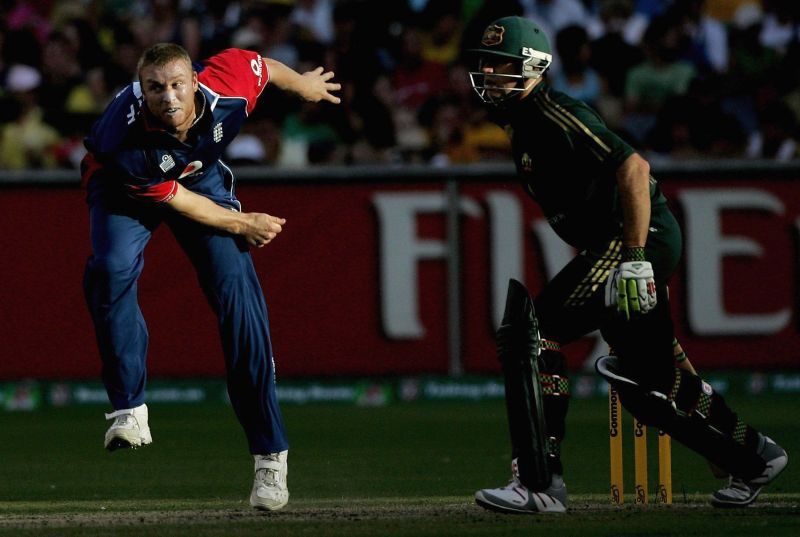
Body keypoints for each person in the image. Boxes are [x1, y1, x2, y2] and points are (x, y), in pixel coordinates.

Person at [467, 16, 788, 512]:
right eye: (486, 65)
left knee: (538, 330)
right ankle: (753, 454)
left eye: (502, 66)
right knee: (652, 374)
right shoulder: (523, 122)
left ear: (535, 68)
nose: (490, 74)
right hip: (628, 244)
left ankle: (539, 482)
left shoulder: (554, 114)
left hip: (636, 240)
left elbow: (633, 167)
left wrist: (635, 259)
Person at [81, 43, 340, 511]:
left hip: (199, 179)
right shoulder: (123, 136)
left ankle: (270, 456)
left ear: (195, 82)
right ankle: (129, 408)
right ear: (142, 89)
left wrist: (302, 84)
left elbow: (265, 67)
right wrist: (243, 223)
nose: (168, 97)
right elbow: (175, 200)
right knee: (111, 268)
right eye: (155, 88)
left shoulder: (229, 82)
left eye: (176, 84)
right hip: (126, 191)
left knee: (240, 301)